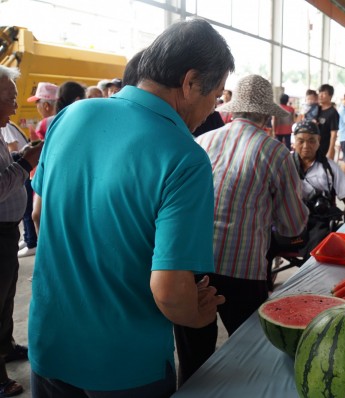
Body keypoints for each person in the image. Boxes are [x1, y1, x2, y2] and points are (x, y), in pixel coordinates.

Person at [29, 18, 234, 397]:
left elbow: (40, 215)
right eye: (216, 95)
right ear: (190, 83)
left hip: (51, 342)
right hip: (125, 365)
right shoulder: (184, 158)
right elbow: (170, 292)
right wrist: (198, 313)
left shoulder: (70, 116)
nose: (211, 110)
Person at [176, 74, 309, 385]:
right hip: (243, 272)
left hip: (192, 266)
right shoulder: (274, 152)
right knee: (250, 355)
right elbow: (293, 224)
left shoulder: (200, 142)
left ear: (231, 110)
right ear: (266, 114)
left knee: (193, 359)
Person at [0, 65, 44, 398]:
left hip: (6, 231)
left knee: (6, 296)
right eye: (10, 98)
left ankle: (6, 344)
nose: (16, 107)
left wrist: (18, 156)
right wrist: (26, 164)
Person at [291, 120, 345, 257]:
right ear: (294, 140)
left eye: (311, 141)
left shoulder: (330, 169)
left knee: (317, 246)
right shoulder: (285, 164)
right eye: (300, 141)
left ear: (319, 141)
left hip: (318, 221)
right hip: (290, 218)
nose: (306, 146)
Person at [316, 84, 339, 159]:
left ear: (330, 96)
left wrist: (331, 150)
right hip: (314, 146)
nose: (320, 95)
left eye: (324, 93)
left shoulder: (333, 112)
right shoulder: (316, 109)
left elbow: (333, 133)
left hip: (324, 147)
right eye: (320, 93)